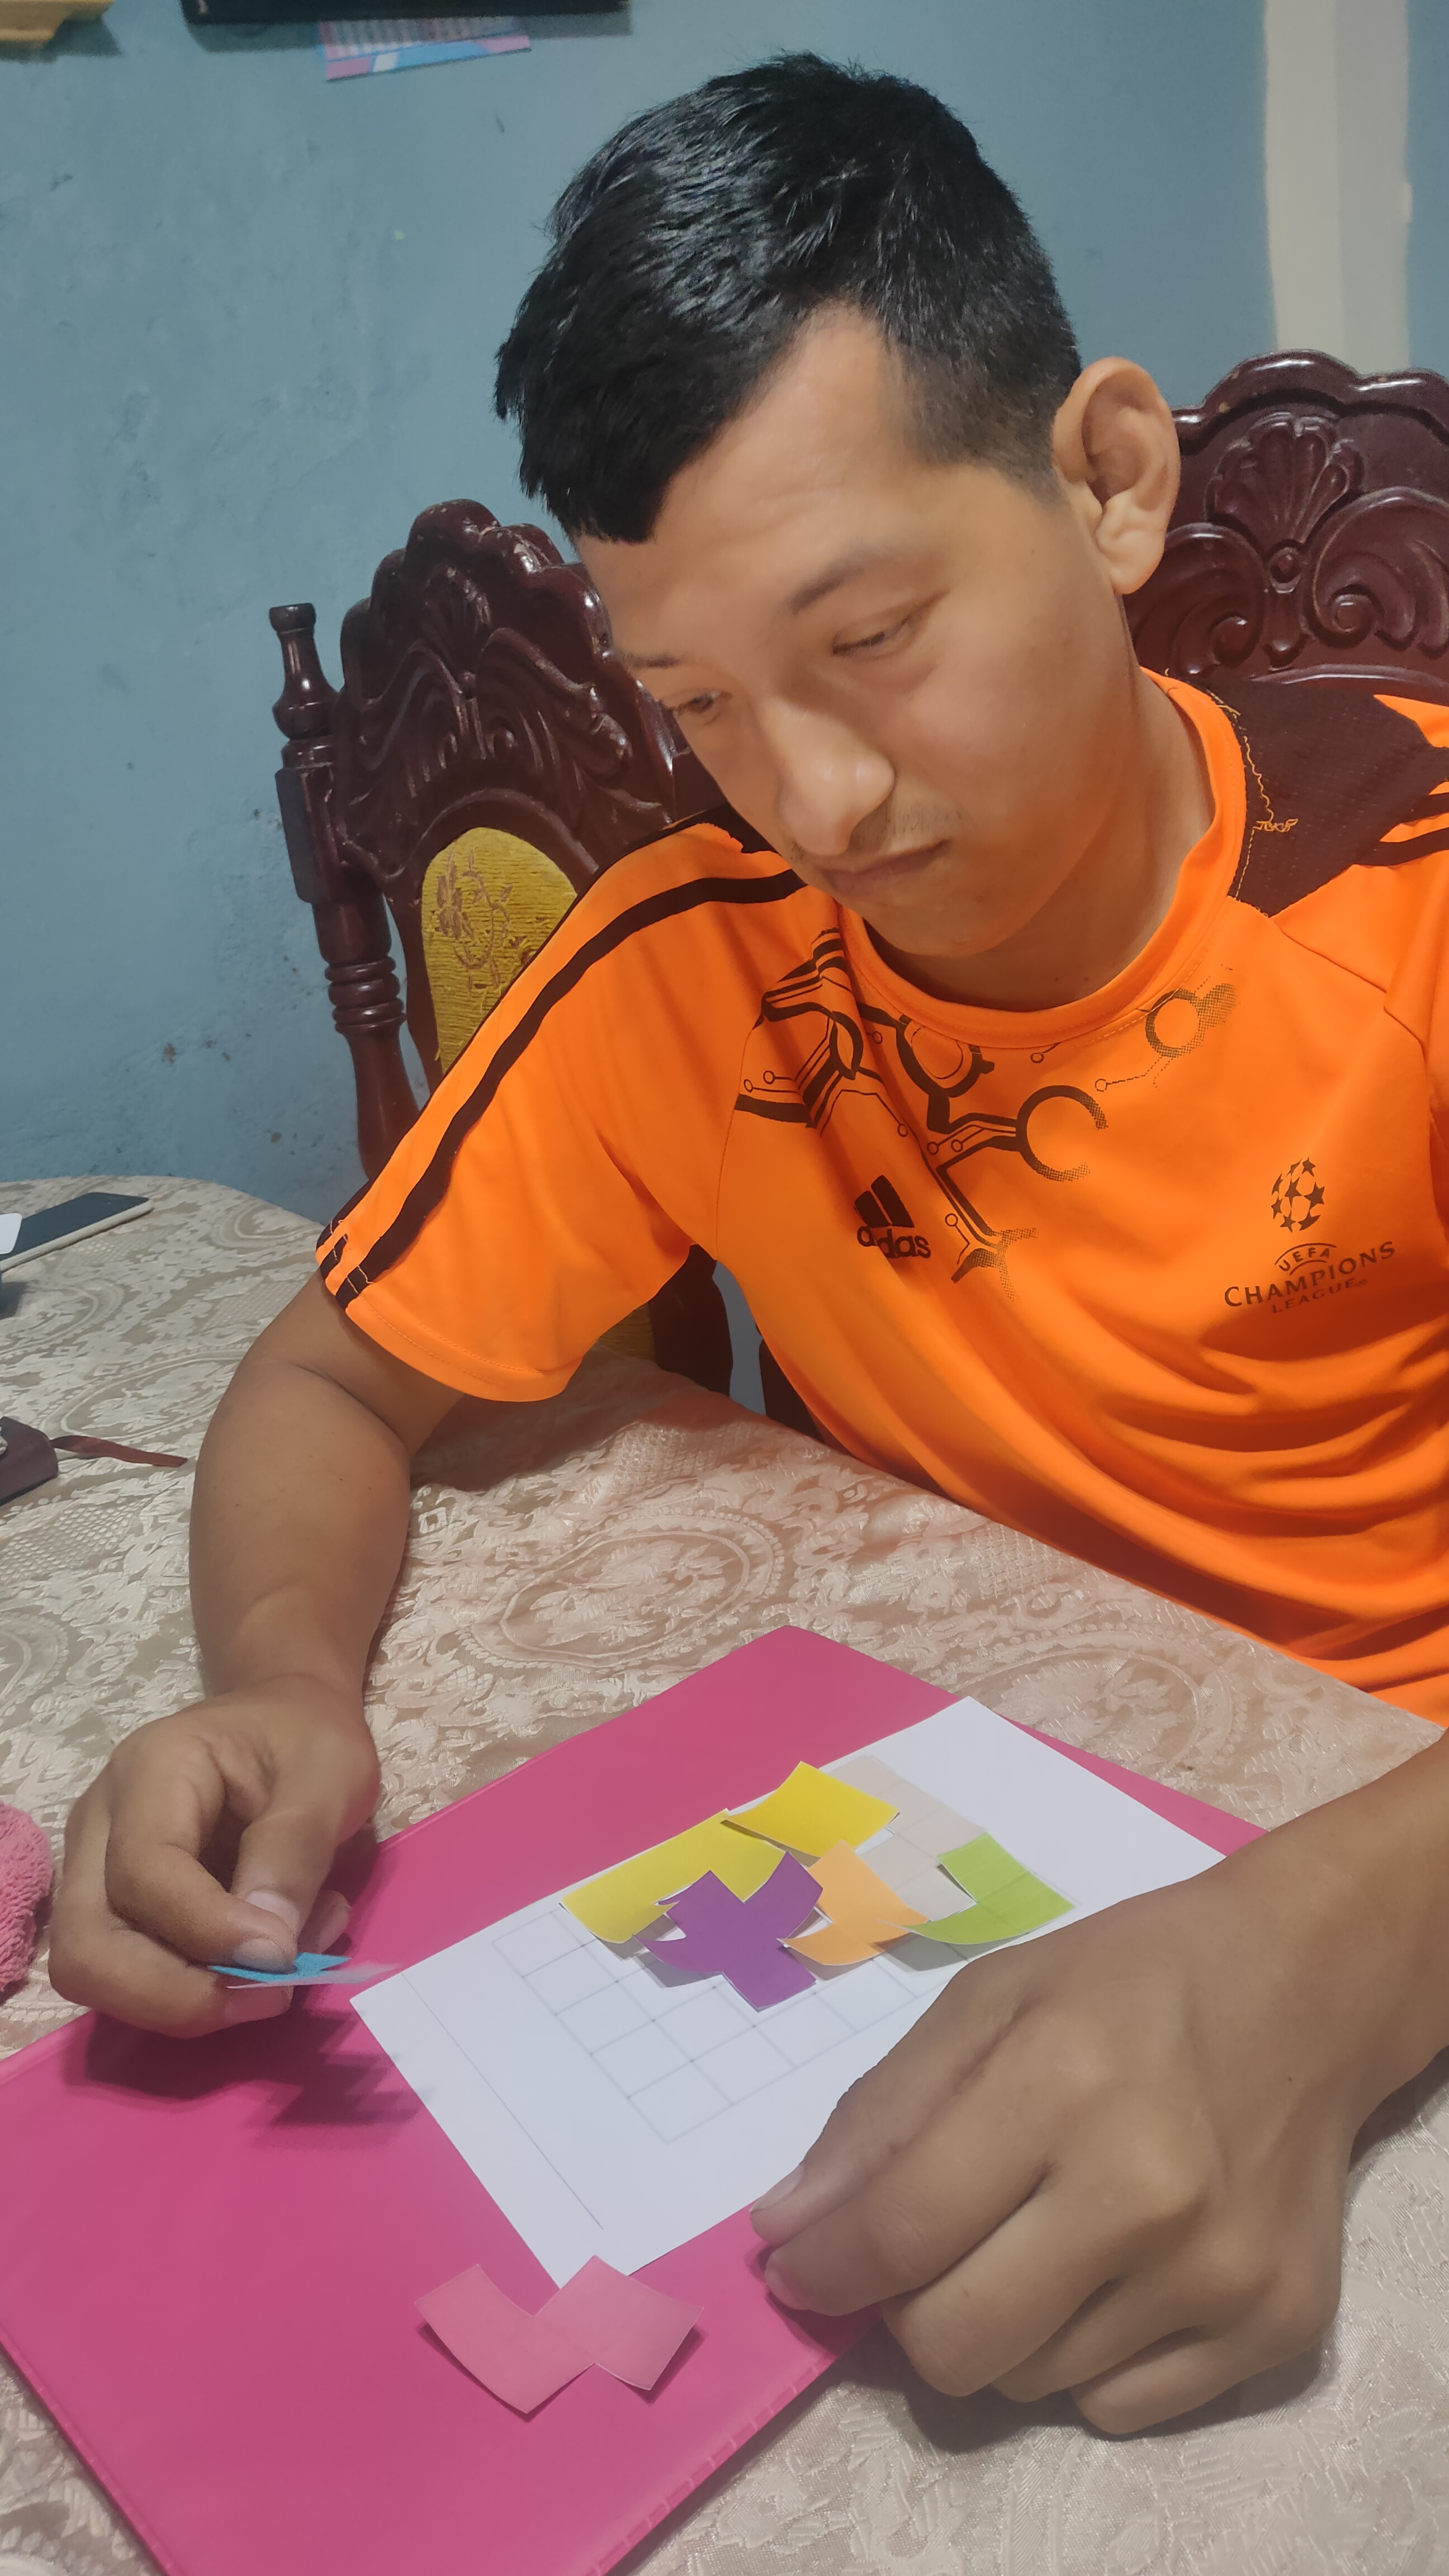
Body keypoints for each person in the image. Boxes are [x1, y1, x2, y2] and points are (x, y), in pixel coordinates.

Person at [51, 56, 1449, 2435]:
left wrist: (1331, 1955)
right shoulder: (690, 970)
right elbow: (328, 1379)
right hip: (963, 1849)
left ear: (1110, 481)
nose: (814, 799)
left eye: (872, 637)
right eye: (700, 704)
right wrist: (284, 1685)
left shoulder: (1403, 901)